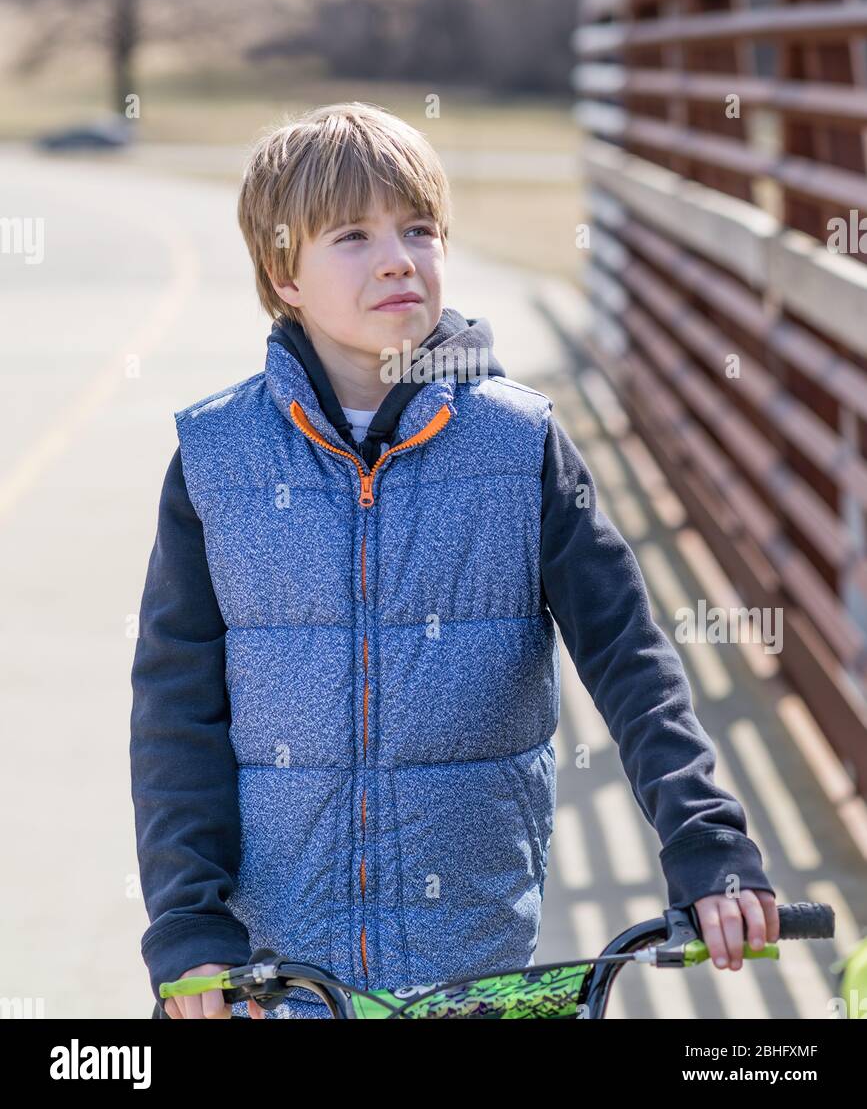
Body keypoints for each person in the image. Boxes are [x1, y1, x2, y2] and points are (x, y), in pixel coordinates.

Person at [130, 101, 778, 1020]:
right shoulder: (215, 458)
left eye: (419, 229)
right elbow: (174, 709)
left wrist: (705, 842)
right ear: (284, 275)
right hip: (266, 978)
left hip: (469, 971)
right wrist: (187, 925)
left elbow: (631, 661)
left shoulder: (521, 446)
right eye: (352, 235)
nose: (398, 256)